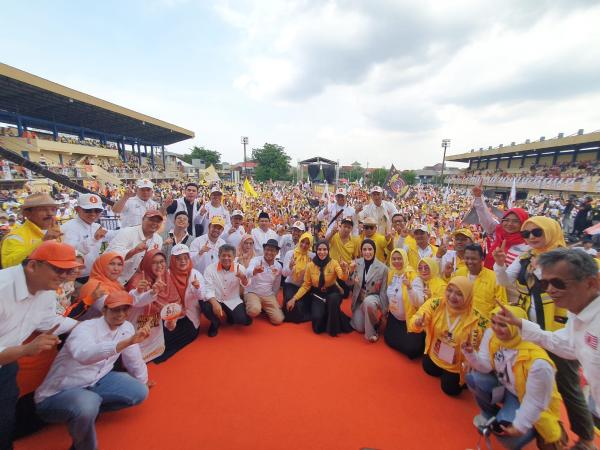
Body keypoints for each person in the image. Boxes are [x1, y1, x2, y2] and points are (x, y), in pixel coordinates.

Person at [494, 216, 597, 447]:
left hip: (559, 326)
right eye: (525, 234)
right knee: (535, 379)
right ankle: (548, 429)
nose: (530, 238)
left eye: (536, 232)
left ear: (550, 231)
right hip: (532, 327)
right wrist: (500, 264)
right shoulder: (524, 257)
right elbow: (504, 281)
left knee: (566, 385)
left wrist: (540, 270)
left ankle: (585, 437)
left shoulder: (567, 260)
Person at [34, 291, 151, 450]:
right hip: (58, 393)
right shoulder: (85, 328)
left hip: (96, 381)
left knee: (140, 391)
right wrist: (123, 344)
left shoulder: (127, 327)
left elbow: (134, 359)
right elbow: (84, 354)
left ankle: (84, 413)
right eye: (116, 309)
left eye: (125, 309)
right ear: (104, 311)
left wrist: (143, 380)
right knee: (88, 403)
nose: (121, 314)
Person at [0, 241, 80, 449]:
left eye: (68, 270)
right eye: (58, 269)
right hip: (10, 356)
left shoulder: (46, 289)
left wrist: (84, 327)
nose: (64, 275)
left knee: (4, 421)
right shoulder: (2, 289)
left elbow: (48, 321)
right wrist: (26, 350)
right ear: (33, 266)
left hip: (6, 367)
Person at [463, 305, 568, 450]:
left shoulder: (537, 360)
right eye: (493, 322)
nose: (496, 328)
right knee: (474, 379)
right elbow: (485, 366)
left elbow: (534, 401)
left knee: (509, 440)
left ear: (516, 325)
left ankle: (533, 429)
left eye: (503, 324)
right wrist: (470, 354)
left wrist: (520, 426)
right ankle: (490, 414)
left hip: (526, 400)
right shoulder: (493, 338)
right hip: (507, 389)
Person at [408, 276, 488, 396]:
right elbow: (418, 317)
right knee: (428, 369)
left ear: (468, 296)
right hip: (435, 354)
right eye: (449, 290)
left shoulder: (478, 320)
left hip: (456, 366)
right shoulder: (436, 304)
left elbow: (479, 348)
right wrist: (418, 322)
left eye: (459, 293)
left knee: (451, 390)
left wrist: (470, 358)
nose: (451, 296)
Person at [287, 240, 352, 337]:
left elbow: (342, 277)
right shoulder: (310, 266)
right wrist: (294, 298)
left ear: (328, 250)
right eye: (319, 249)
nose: (322, 252)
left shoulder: (333, 263)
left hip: (332, 292)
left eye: (325, 249)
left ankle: (333, 328)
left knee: (332, 300)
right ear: (316, 251)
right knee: (317, 324)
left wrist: (344, 270)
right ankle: (330, 313)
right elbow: (306, 285)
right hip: (318, 295)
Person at [471, 180, 529, 271]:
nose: (510, 224)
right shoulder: (497, 231)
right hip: (489, 280)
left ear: (524, 223)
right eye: (506, 220)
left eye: (515, 221)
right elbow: (484, 217)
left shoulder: (528, 245)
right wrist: (478, 198)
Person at [61, 193, 114, 283]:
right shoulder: (68, 227)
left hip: (94, 274)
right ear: (77, 209)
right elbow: (72, 253)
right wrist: (94, 239)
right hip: (75, 278)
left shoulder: (95, 226)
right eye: (88, 210)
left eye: (97, 210)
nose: (93, 214)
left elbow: (113, 234)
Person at [201, 244, 252, 337]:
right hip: (217, 298)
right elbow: (208, 288)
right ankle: (215, 322)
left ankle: (231, 315)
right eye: (223, 255)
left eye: (229, 256)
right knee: (205, 305)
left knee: (242, 320)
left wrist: (242, 277)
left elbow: (247, 285)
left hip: (233, 299)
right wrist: (214, 303)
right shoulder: (210, 269)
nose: (226, 258)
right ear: (219, 256)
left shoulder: (240, 268)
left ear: (234, 257)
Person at [1, 193, 62, 268]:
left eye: (53, 210)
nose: (50, 213)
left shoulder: (59, 231)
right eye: (43, 210)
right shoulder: (14, 237)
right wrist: (43, 242)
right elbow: (9, 265)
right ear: (26, 213)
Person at [383, 248, 423, 359]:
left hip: (408, 319)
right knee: (388, 339)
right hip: (394, 318)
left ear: (405, 259)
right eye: (394, 259)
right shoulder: (391, 273)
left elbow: (419, 302)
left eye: (399, 259)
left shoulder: (414, 276)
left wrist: (410, 288)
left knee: (412, 350)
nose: (396, 262)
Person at [105, 210, 164, 284]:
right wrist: (134, 251)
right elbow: (112, 256)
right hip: (114, 279)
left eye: (158, 221)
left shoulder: (158, 239)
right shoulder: (127, 232)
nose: (154, 223)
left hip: (137, 281)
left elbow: (154, 263)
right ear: (143, 219)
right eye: (151, 220)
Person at [349, 239, 388, 342]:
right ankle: (374, 321)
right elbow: (348, 283)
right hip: (359, 300)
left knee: (368, 302)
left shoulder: (383, 268)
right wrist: (350, 273)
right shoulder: (356, 264)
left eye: (370, 249)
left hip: (374, 299)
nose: (367, 252)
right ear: (361, 251)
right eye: (364, 249)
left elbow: (383, 291)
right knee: (359, 328)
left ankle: (372, 333)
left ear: (374, 250)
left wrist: (384, 313)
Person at [455, 243, 507, 318]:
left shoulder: (494, 278)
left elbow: (501, 305)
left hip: (485, 324)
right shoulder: (458, 274)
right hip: (461, 320)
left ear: (482, 259)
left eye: (473, 259)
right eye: (467, 258)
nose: (469, 261)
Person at [244, 239, 285, 325]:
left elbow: (276, 284)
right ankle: (249, 304)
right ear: (264, 250)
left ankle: (263, 307)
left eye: (272, 250)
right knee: (254, 310)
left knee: (278, 320)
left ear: (277, 252)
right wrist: (255, 271)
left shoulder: (278, 266)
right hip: (253, 292)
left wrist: (274, 298)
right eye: (267, 249)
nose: (269, 252)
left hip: (268, 295)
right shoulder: (256, 260)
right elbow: (247, 272)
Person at [281, 232, 314, 323]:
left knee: (300, 307)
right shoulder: (290, 253)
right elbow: (284, 274)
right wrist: (290, 267)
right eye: (303, 241)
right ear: (299, 241)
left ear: (310, 244)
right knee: (290, 310)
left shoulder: (312, 256)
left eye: (307, 243)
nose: (304, 245)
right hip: (290, 284)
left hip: (304, 287)